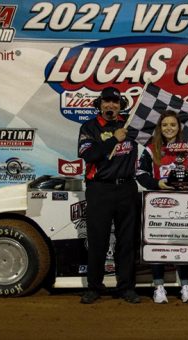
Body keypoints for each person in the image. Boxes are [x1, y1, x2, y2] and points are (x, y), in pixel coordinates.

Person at [78, 87, 140, 304]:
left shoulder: (131, 125)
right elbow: (89, 154)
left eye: (115, 102)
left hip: (127, 188)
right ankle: (94, 287)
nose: (110, 106)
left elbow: (156, 141)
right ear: (100, 104)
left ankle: (126, 287)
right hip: (99, 189)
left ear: (120, 105)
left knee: (127, 241)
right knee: (97, 241)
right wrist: (114, 139)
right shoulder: (89, 127)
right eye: (107, 102)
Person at [136, 110, 188, 304]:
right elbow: (140, 173)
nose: (169, 128)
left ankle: (185, 286)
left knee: (182, 245)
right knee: (157, 246)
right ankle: (159, 286)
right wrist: (156, 184)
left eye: (173, 125)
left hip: (183, 203)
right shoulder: (150, 149)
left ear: (179, 128)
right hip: (157, 204)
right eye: (165, 125)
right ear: (159, 128)